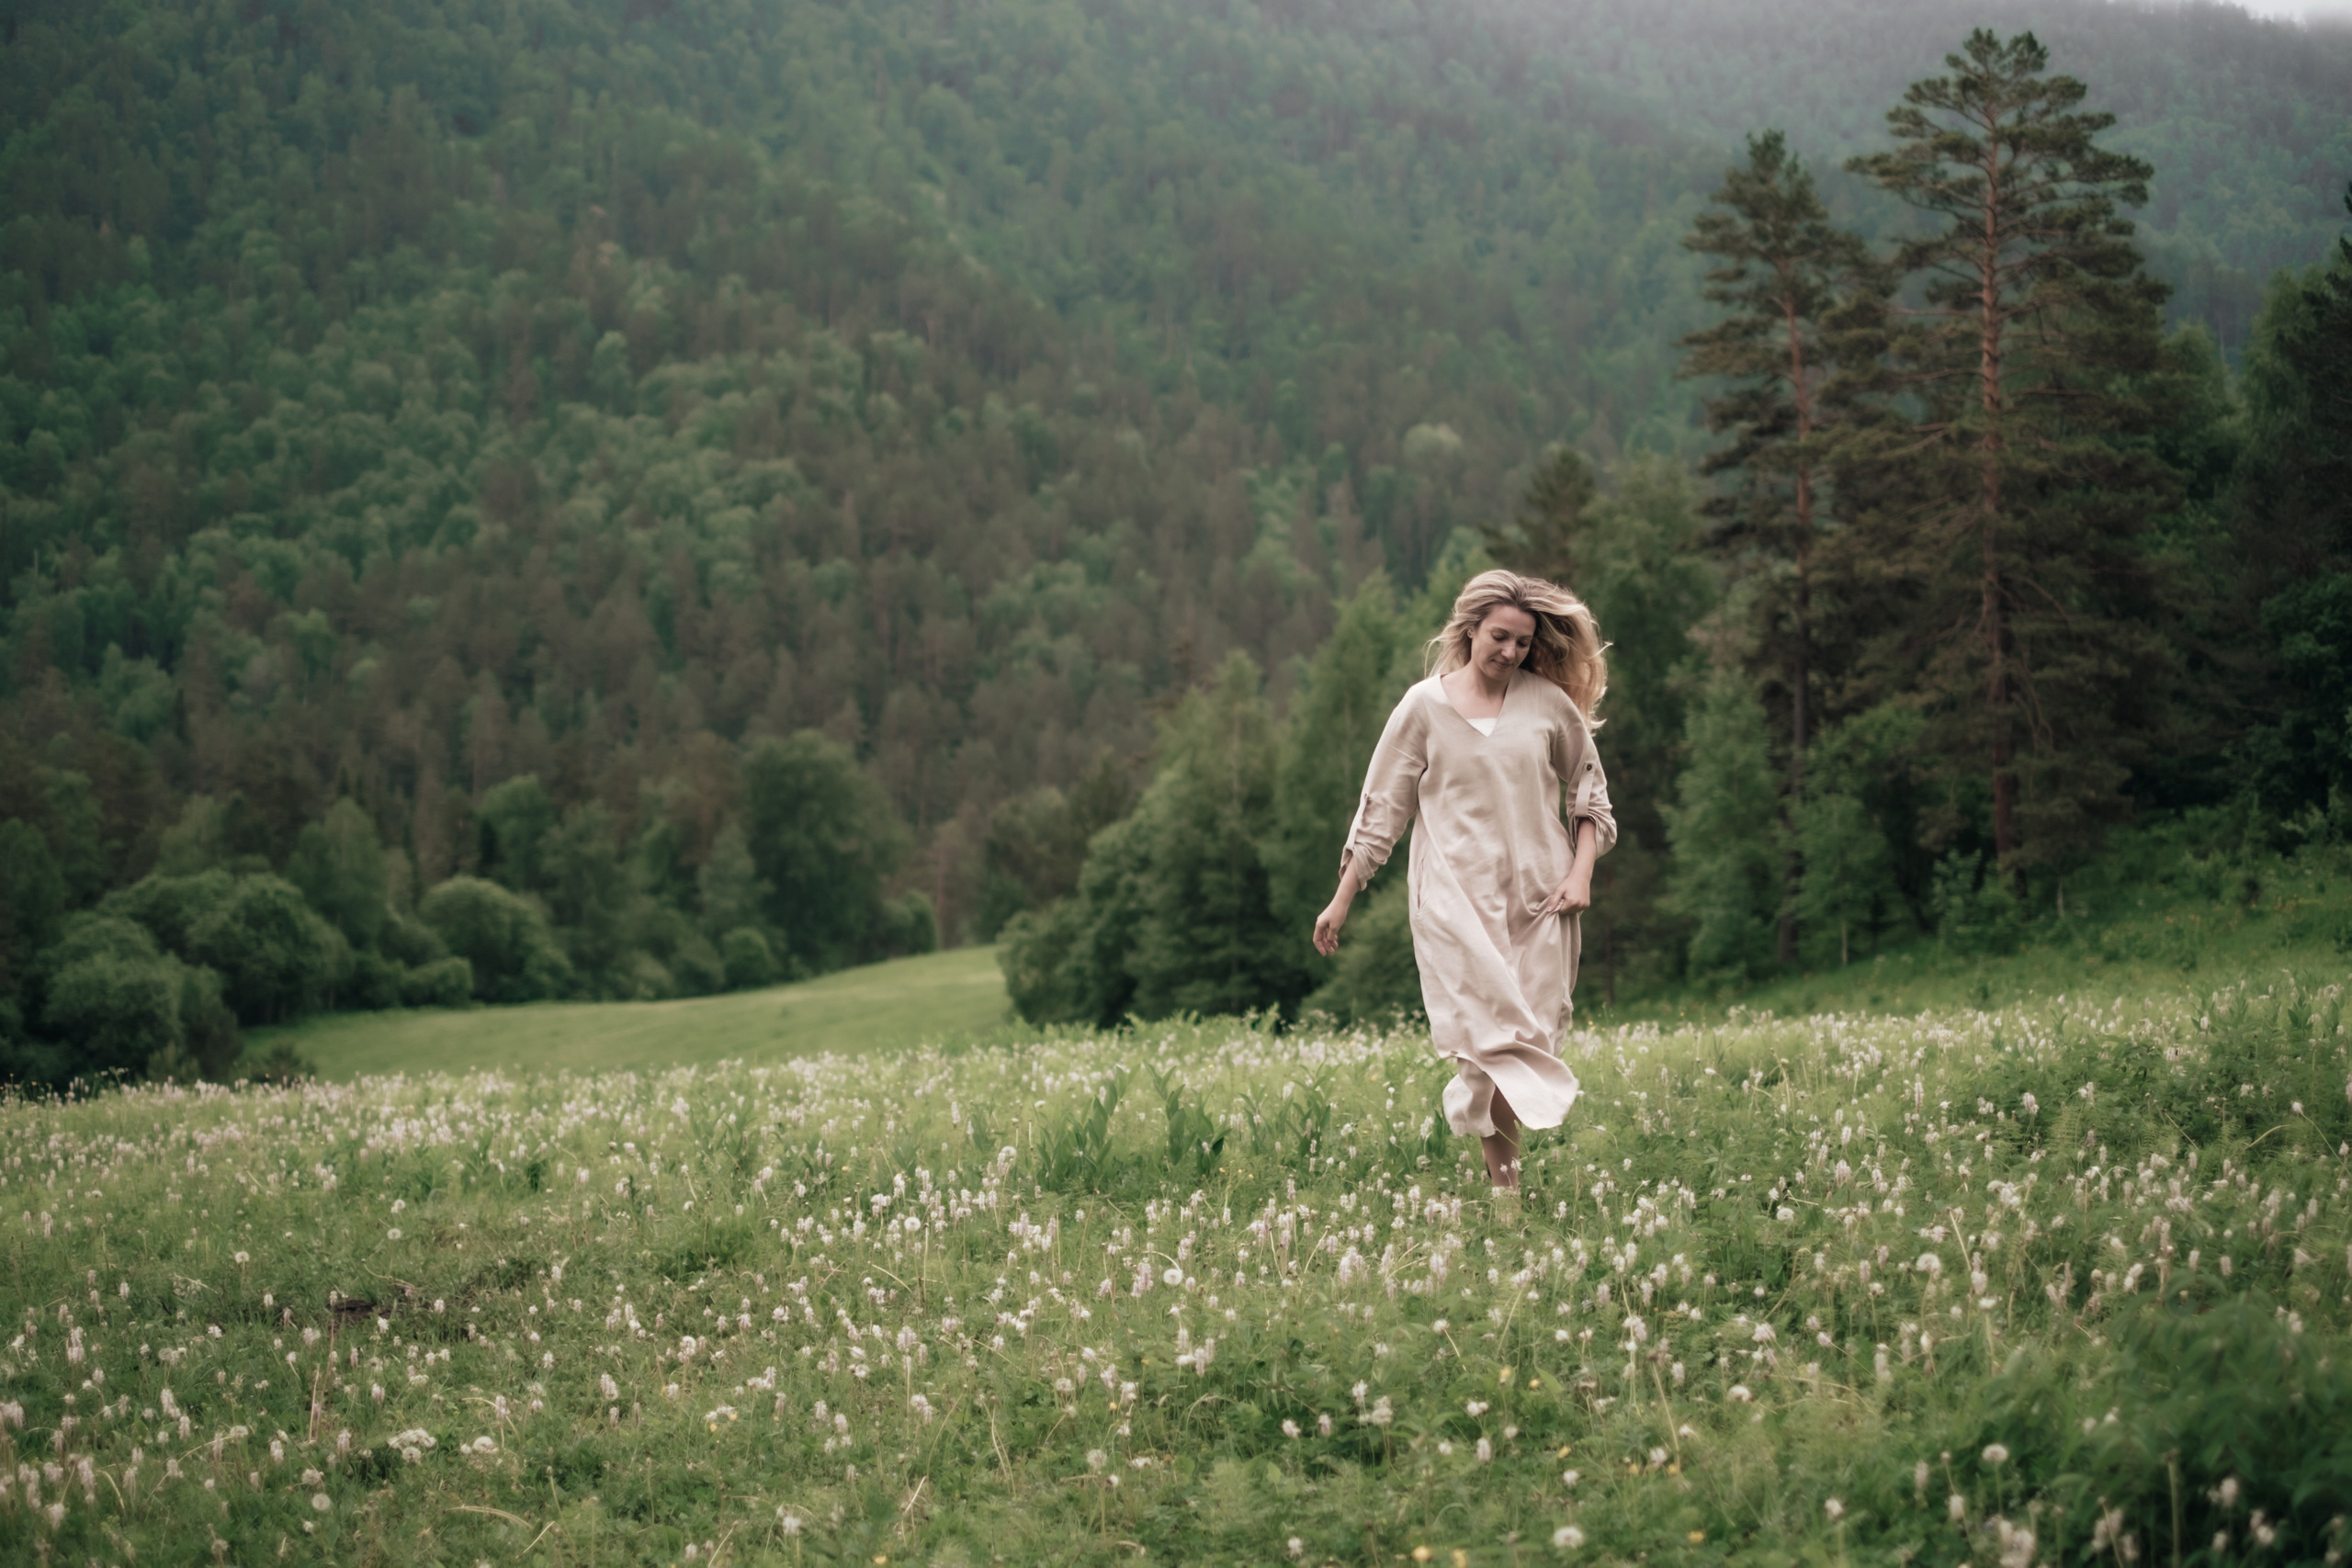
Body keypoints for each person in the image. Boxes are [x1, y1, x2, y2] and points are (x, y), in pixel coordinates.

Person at [1312, 569, 1614, 1189]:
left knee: (1529, 1043)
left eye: (1522, 642)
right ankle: (1508, 1196)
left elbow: (1592, 793)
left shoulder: (1546, 705)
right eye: (1498, 636)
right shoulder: (1423, 707)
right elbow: (1381, 810)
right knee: (1487, 1050)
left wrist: (1581, 873)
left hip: (1540, 898)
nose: (1510, 651)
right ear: (1468, 630)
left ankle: (1506, 1188)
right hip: (1455, 904)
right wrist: (1342, 899)